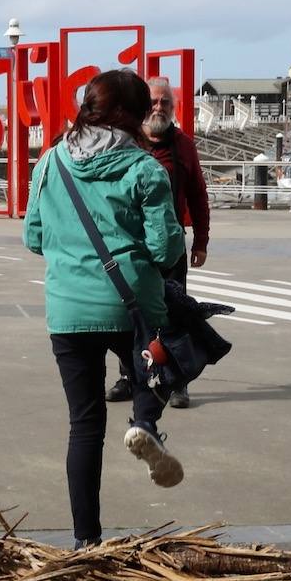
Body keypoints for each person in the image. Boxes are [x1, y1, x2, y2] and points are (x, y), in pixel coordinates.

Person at [23, 69, 186, 550]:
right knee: (162, 368)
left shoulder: (51, 162)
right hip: (132, 305)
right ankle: (145, 424)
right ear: (133, 116)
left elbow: (33, 236)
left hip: (69, 310)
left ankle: (85, 540)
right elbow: (166, 248)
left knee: (85, 426)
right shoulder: (145, 168)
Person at [107, 76, 210, 409]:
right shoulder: (127, 144)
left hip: (171, 247)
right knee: (130, 315)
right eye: (153, 101)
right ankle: (129, 376)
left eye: (165, 101)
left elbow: (198, 195)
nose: (159, 107)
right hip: (132, 247)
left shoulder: (183, 145)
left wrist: (201, 242)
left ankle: (178, 382)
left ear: (173, 107)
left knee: (173, 315)